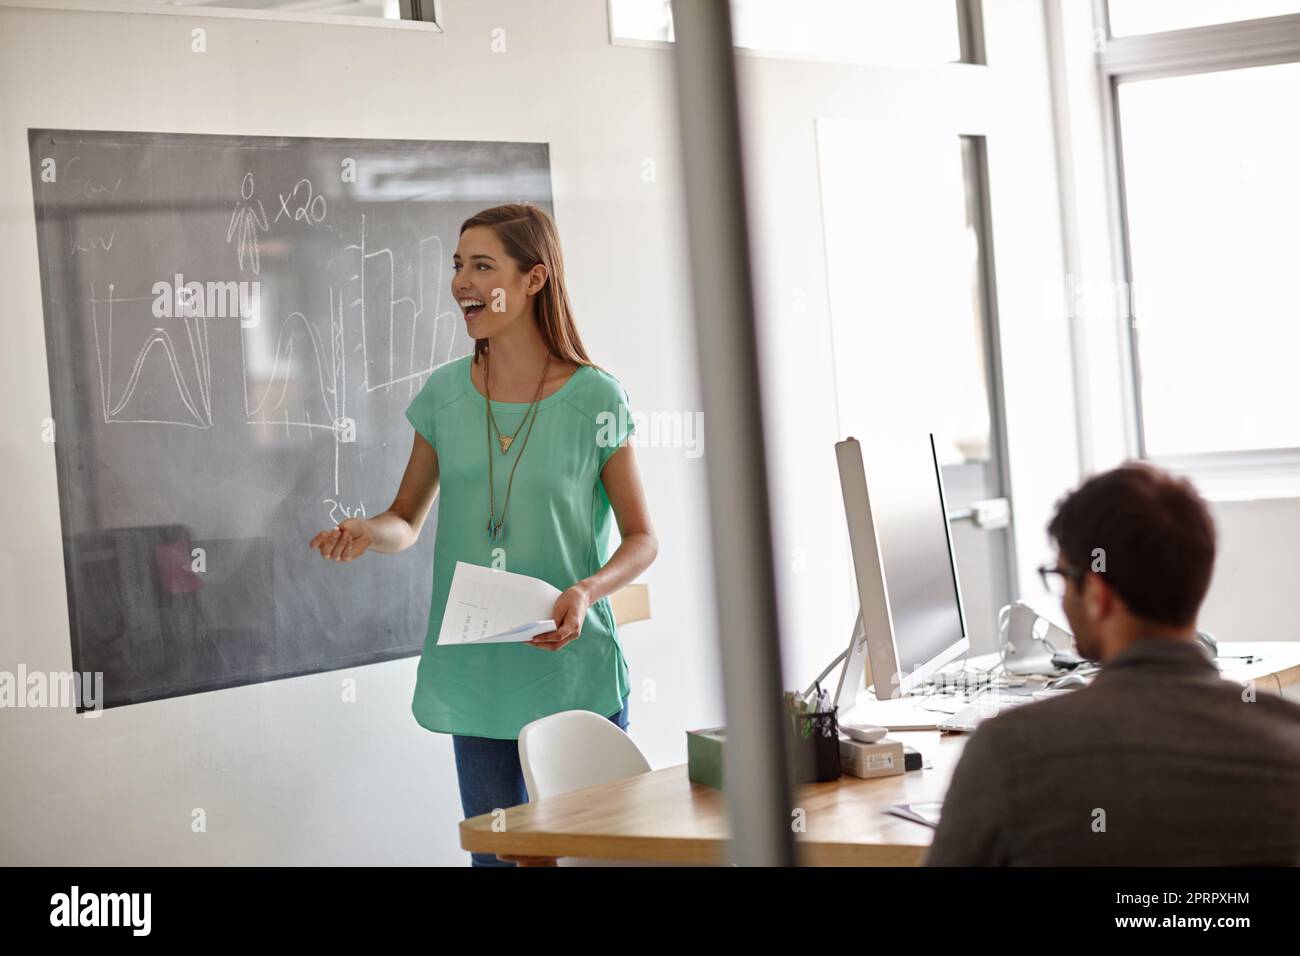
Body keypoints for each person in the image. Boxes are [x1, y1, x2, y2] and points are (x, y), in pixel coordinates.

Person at [309, 203, 658, 866]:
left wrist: (586, 590)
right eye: (457, 266)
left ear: (534, 279)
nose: (461, 282)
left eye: (482, 265)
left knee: (600, 859)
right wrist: (367, 531)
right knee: (499, 864)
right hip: (479, 679)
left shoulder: (597, 400)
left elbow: (643, 538)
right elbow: (405, 519)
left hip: (571, 673)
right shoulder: (443, 395)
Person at [926, 462, 1300, 866]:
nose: (1063, 598)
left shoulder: (1007, 754)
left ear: (1098, 594)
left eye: (1063, 577)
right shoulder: (1289, 739)